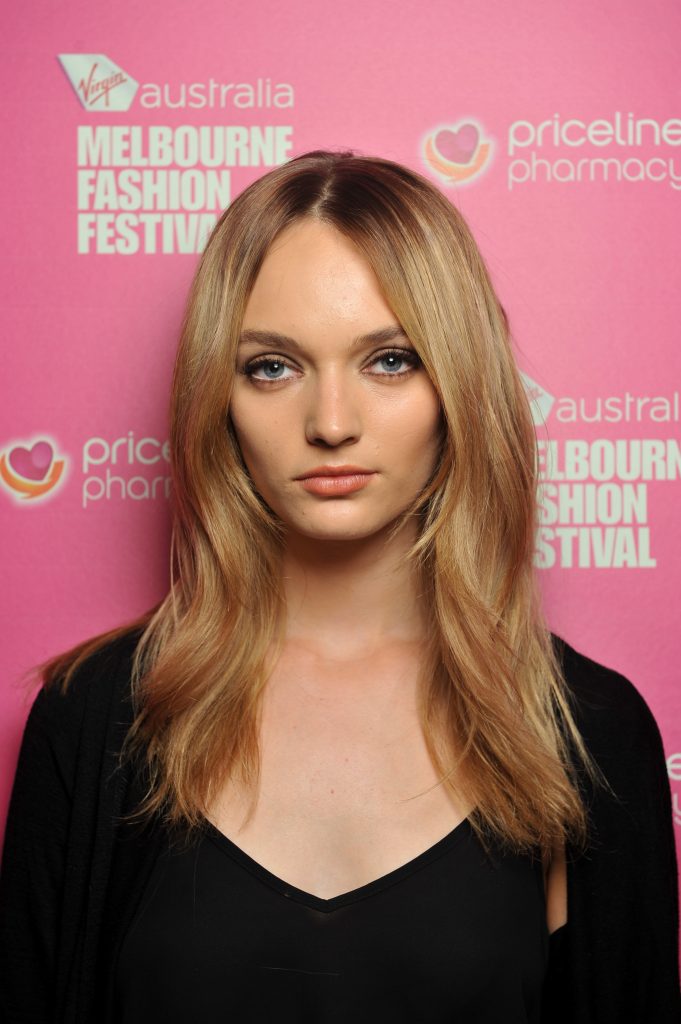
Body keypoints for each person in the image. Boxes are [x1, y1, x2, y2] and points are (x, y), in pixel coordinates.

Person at [0, 149, 678, 1024]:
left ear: (458, 385)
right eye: (271, 367)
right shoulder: (93, 717)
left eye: (389, 361)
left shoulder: (589, 734)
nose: (330, 423)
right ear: (217, 396)